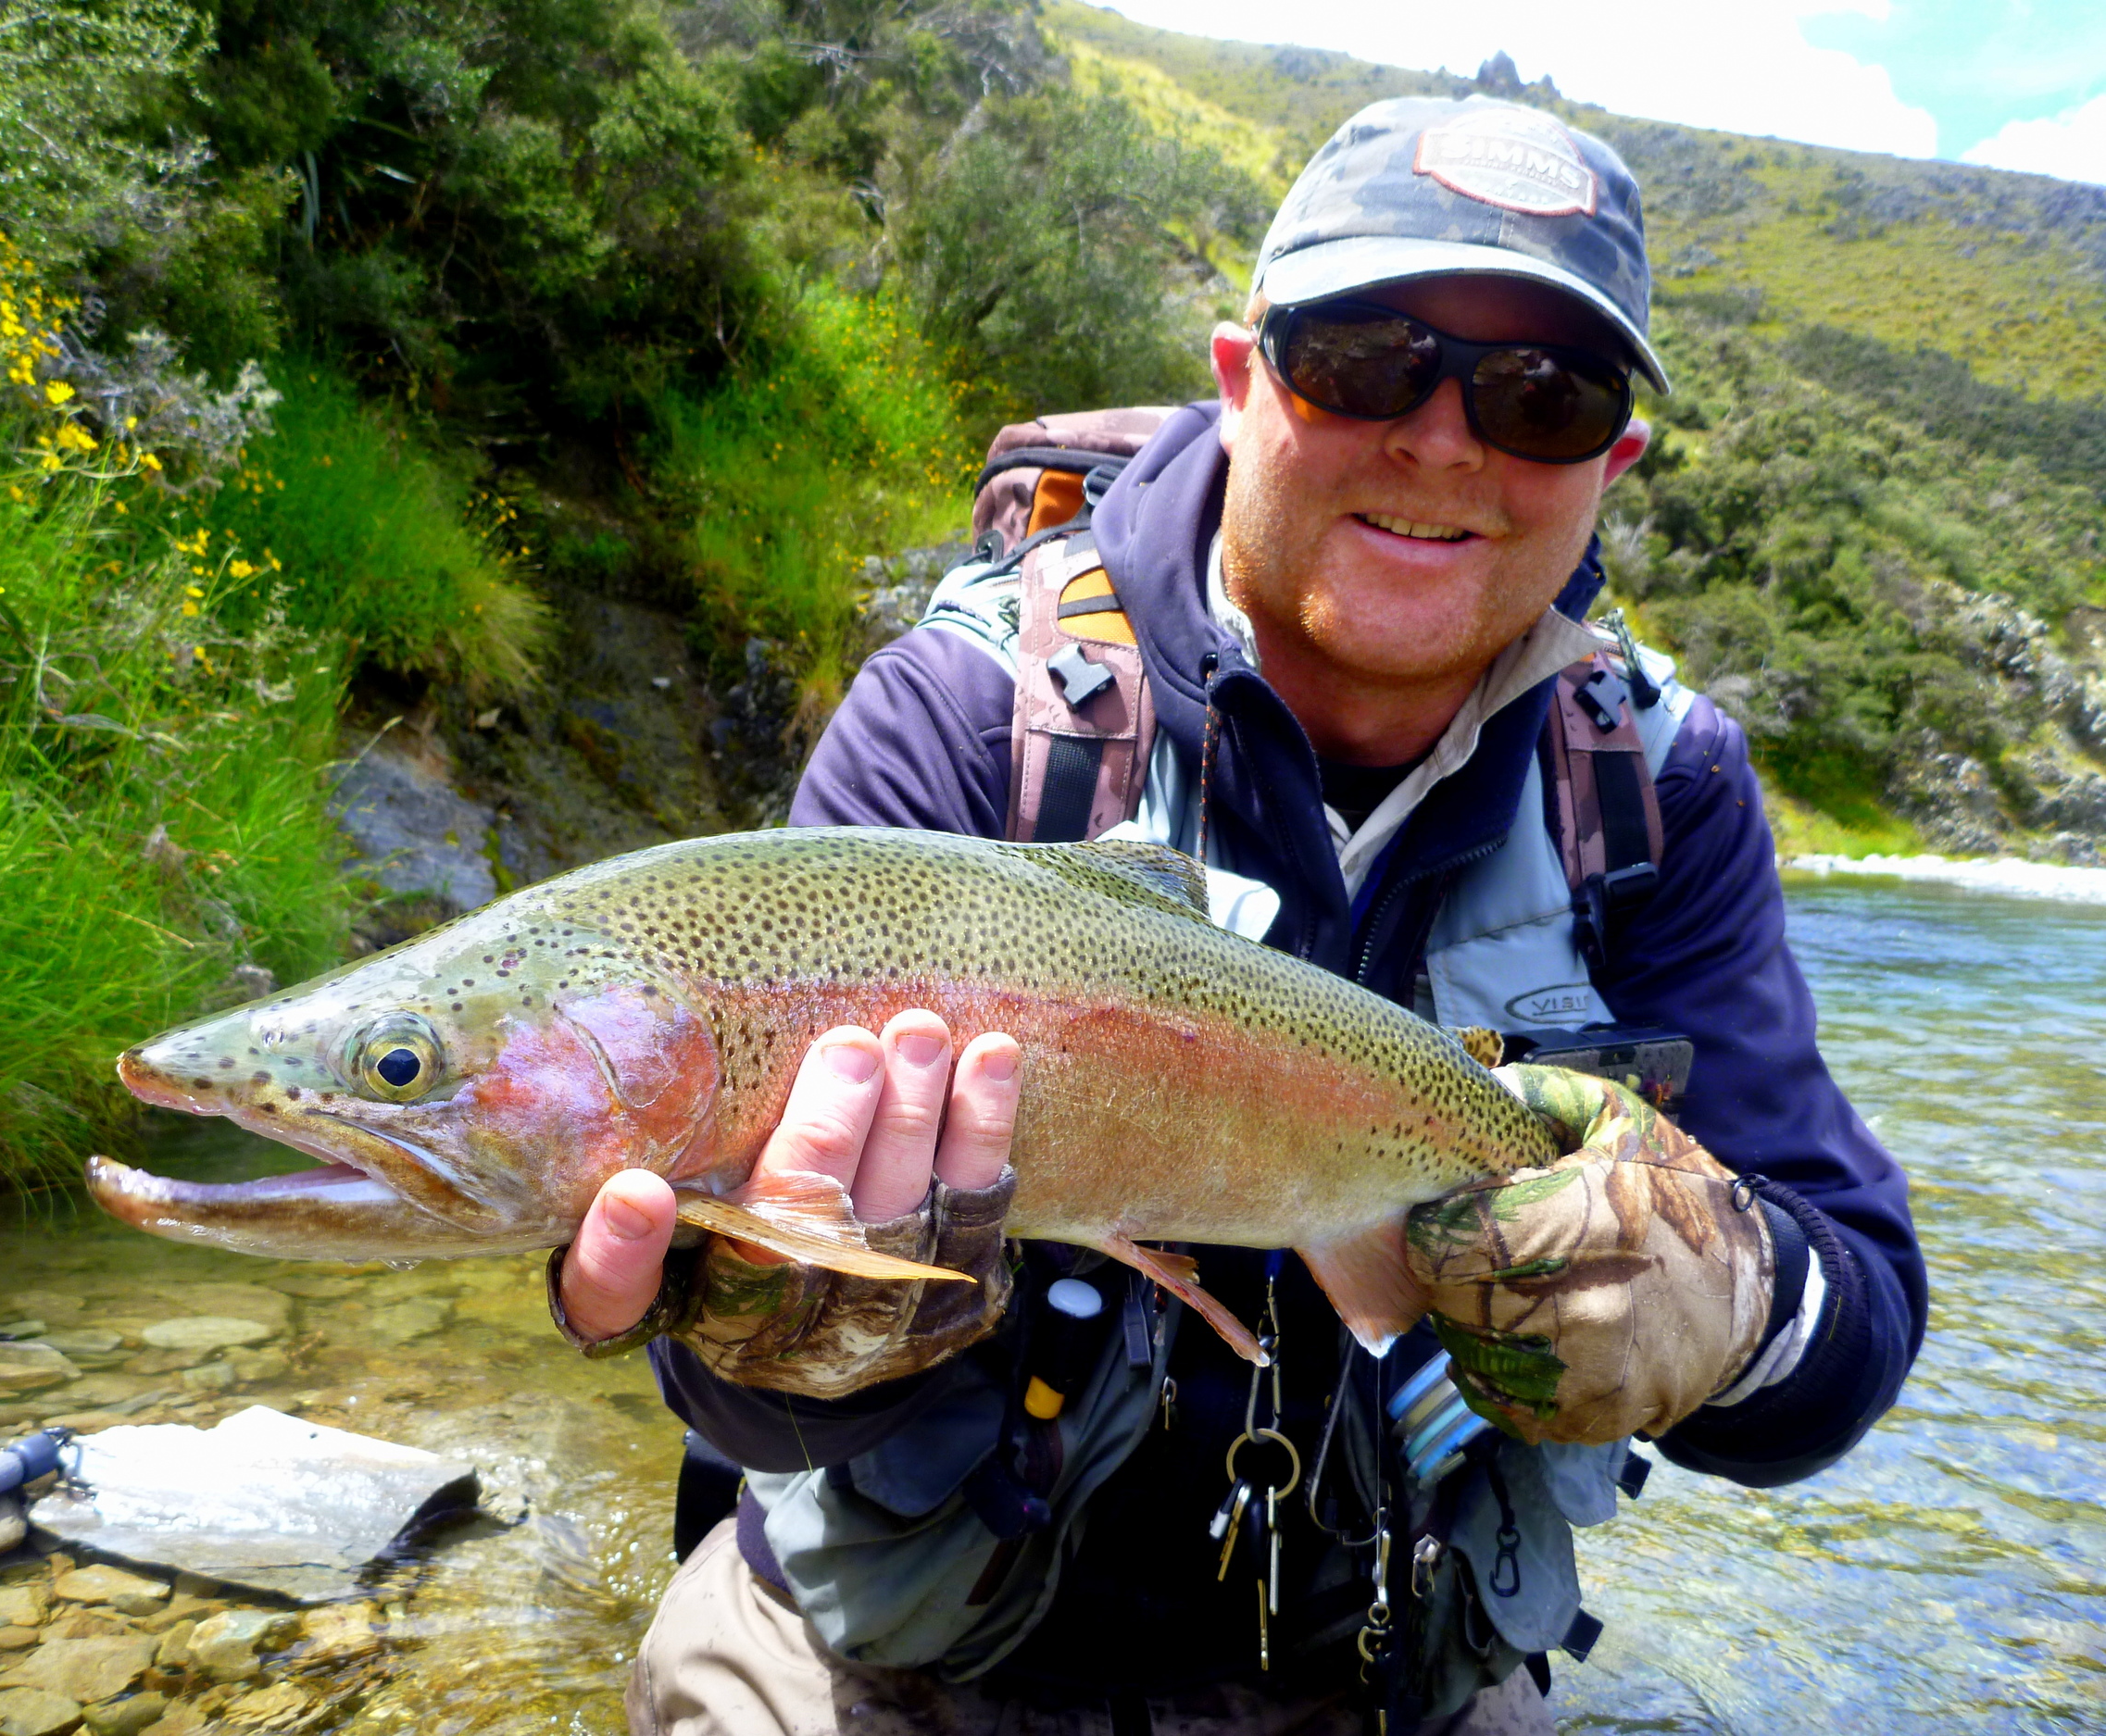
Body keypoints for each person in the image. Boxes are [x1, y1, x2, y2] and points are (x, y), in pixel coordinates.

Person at [556, 95, 1926, 1734]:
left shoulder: (1655, 787)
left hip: (1383, 1676)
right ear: (1241, 375)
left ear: (1609, 464)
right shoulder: (967, 716)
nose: (1442, 441)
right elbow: (735, 1415)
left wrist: (1725, 1298)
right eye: (1363, 357)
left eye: (1540, 394)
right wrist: (789, 1333)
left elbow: (1852, 1324)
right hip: (891, 1657)